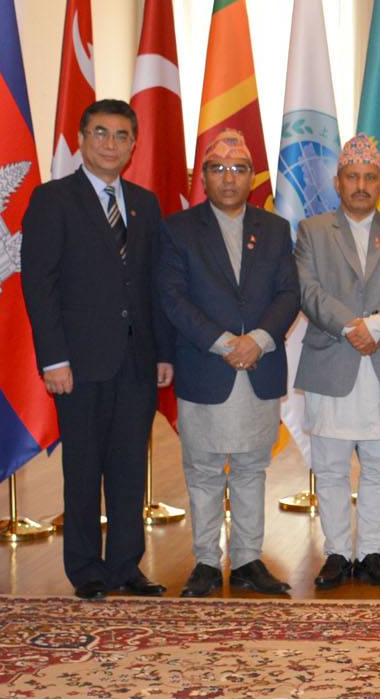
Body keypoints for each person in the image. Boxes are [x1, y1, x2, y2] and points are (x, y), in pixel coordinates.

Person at [20, 98, 173, 600]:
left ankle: (126, 566)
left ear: (133, 144)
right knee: (83, 466)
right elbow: (39, 286)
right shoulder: (53, 199)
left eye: (122, 135)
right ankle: (86, 569)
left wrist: (163, 353)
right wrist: (54, 359)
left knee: (130, 466)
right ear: (82, 139)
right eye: (101, 133)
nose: (111, 144)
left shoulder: (145, 204)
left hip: (136, 360)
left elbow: (155, 285)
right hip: (79, 363)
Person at [156, 129, 301, 597]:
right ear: (203, 178)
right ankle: (203, 561)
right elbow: (172, 298)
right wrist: (224, 343)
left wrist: (258, 340)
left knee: (251, 468)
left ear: (251, 177)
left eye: (238, 169)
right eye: (218, 169)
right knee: (202, 468)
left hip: (258, 367)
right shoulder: (177, 229)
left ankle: (247, 561)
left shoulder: (275, 228)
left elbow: (289, 293)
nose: (228, 178)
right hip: (207, 366)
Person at [294, 133, 380, 591]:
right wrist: (354, 327)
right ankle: (335, 552)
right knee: (328, 466)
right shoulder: (311, 231)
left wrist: (378, 326)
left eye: (370, 177)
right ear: (338, 181)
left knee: (378, 466)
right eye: (353, 177)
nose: (361, 186)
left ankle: (369, 551)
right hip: (333, 358)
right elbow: (308, 291)